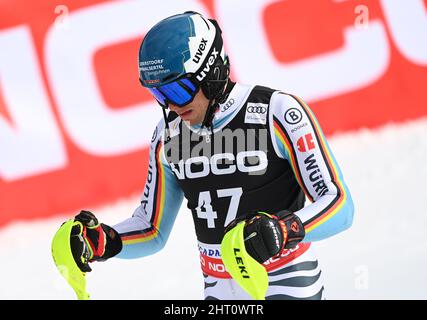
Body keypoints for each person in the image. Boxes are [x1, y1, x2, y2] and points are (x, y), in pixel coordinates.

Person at [64, 11, 354, 300]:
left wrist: (285, 229)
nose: (172, 107)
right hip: (217, 290)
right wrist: (101, 240)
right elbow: (152, 227)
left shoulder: (277, 112)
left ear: (212, 72)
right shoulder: (169, 136)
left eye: (177, 91)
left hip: (284, 281)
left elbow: (340, 204)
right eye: (159, 96)